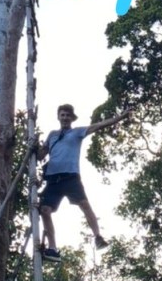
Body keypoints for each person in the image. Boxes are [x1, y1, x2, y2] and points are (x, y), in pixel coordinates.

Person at [38, 102, 130, 261]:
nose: (65, 118)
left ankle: (98, 237)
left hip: (71, 177)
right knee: (44, 210)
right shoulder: (52, 135)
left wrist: (120, 117)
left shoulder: (78, 132)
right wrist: (33, 147)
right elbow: (40, 155)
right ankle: (52, 249)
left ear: (72, 118)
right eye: (62, 115)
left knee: (84, 204)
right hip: (53, 180)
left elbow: (99, 125)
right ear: (58, 117)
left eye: (68, 115)